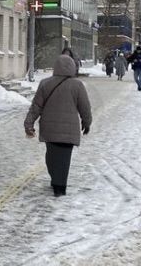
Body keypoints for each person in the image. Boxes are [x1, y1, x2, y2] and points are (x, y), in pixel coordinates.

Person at [24, 54, 93, 196]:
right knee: (63, 158)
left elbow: (36, 106)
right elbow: (85, 107)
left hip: (50, 130)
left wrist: (29, 123)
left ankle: (58, 184)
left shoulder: (45, 83)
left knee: (52, 156)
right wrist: (87, 123)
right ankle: (59, 183)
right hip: (69, 130)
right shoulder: (78, 85)